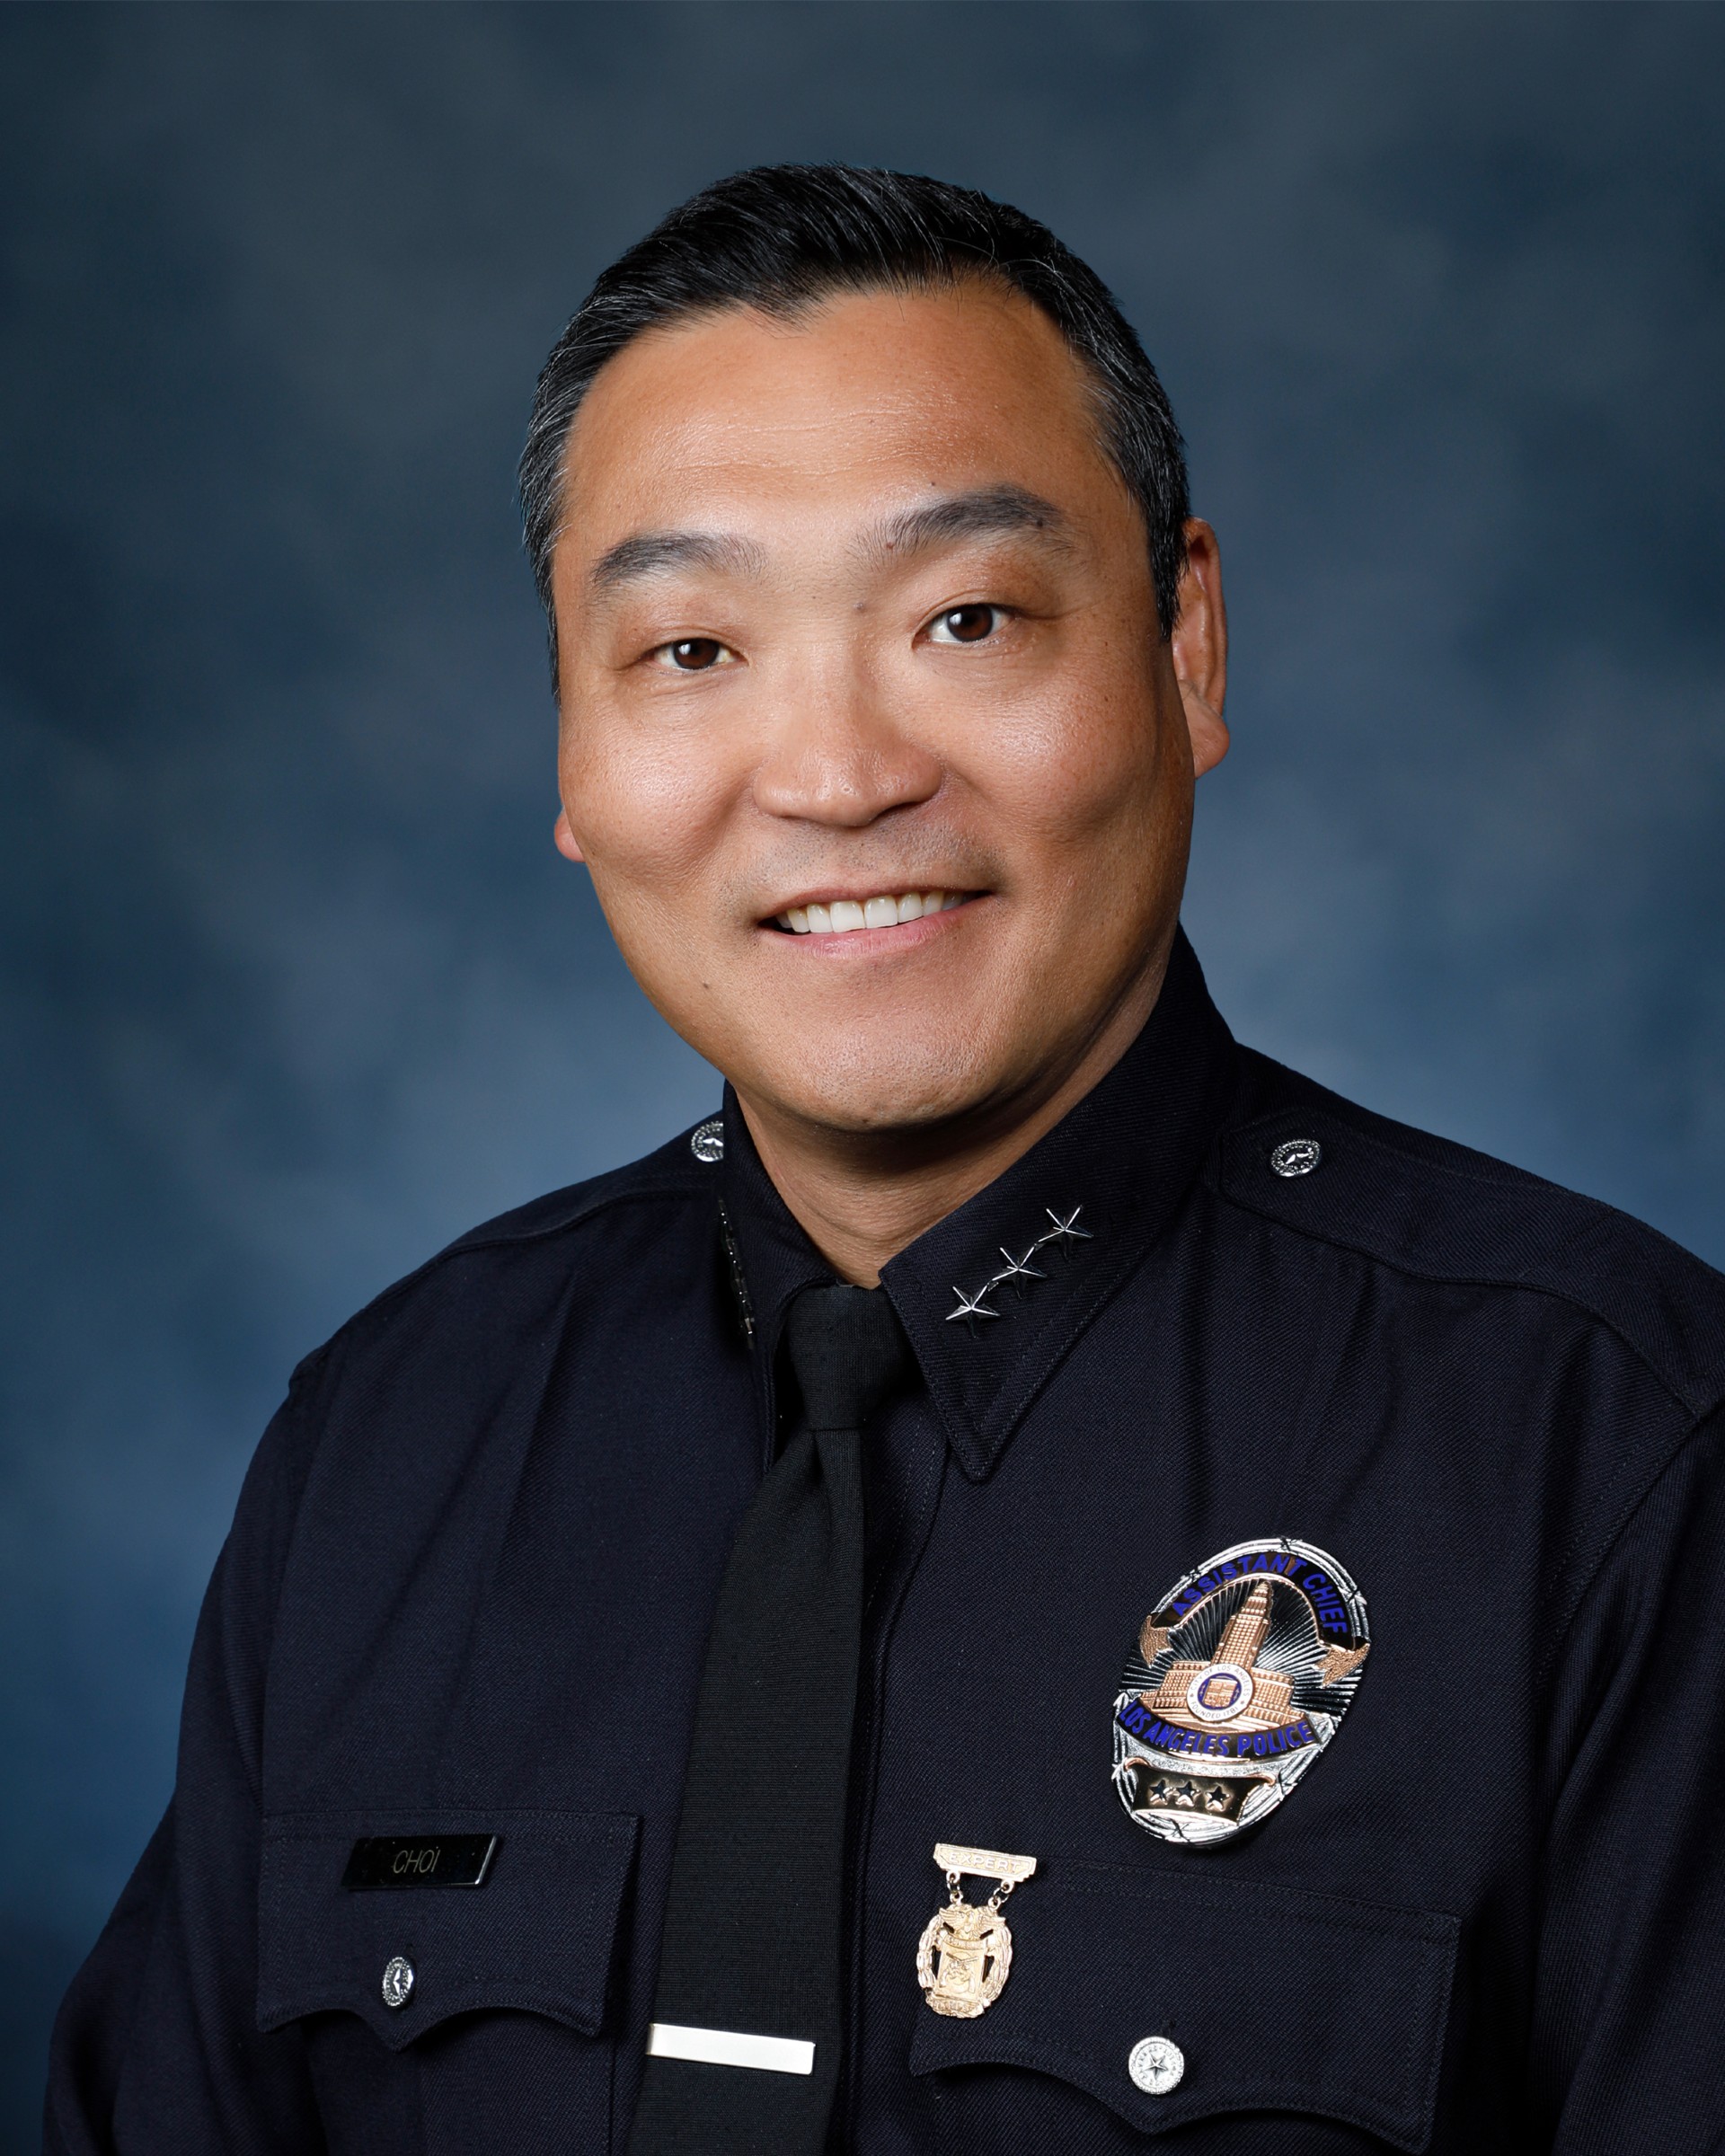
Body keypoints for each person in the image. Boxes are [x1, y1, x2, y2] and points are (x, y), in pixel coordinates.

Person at [46, 164, 1725, 2156]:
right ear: (570, 742)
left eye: (966, 618)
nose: (838, 778)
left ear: (1187, 645)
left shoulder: (1612, 1460)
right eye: (692, 650)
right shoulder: (388, 1448)